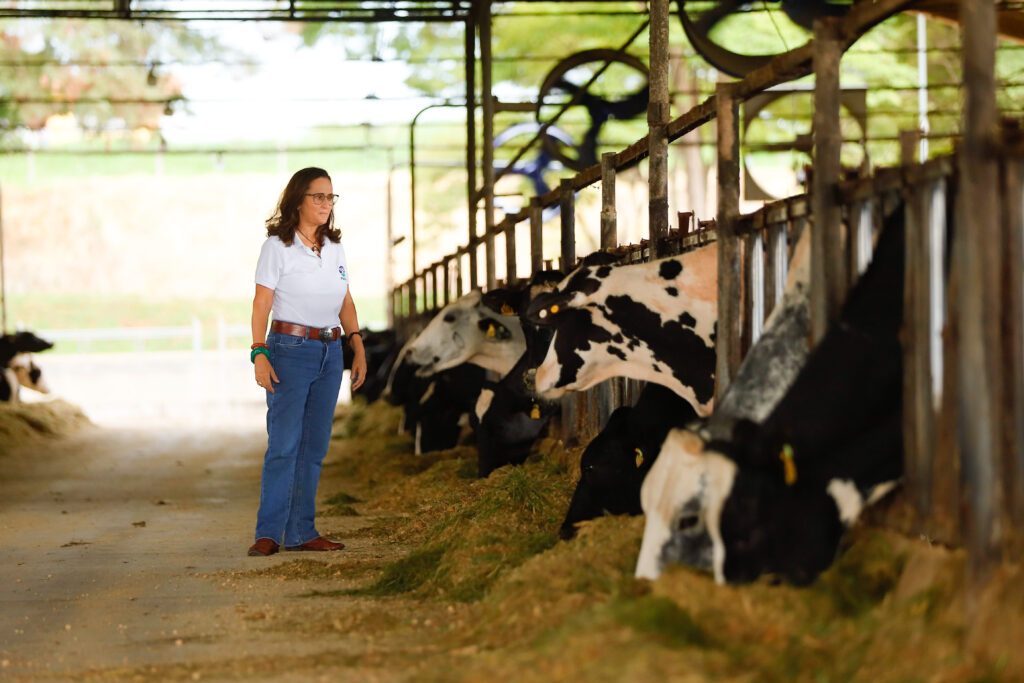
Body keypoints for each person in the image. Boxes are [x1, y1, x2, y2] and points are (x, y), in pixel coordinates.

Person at [247, 167, 367, 557]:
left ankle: (301, 531)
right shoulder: (276, 247)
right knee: (284, 444)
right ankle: (268, 532)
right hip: (289, 349)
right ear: (297, 200)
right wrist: (258, 350)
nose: (326, 204)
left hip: (330, 352)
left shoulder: (334, 248)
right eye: (318, 196)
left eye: (330, 197)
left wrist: (357, 344)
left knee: (314, 446)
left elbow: (345, 300)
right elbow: (262, 302)